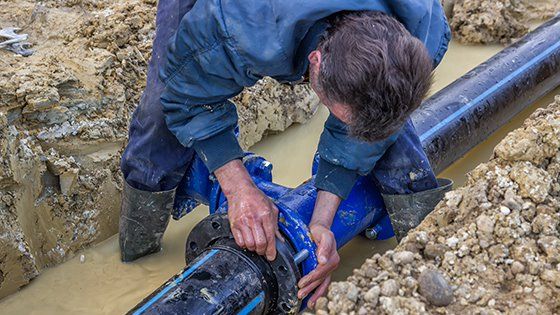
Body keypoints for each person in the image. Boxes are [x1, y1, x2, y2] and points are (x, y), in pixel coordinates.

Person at [120, 0, 451, 307]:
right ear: (315, 62)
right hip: (251, 16)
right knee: (159, 114)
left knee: (386, 128)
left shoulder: (423, 28)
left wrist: (322, 222)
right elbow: (187, 97)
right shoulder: (241, 26)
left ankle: (426, 256)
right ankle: (137, 247)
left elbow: (370, 128)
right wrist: (239, 190)